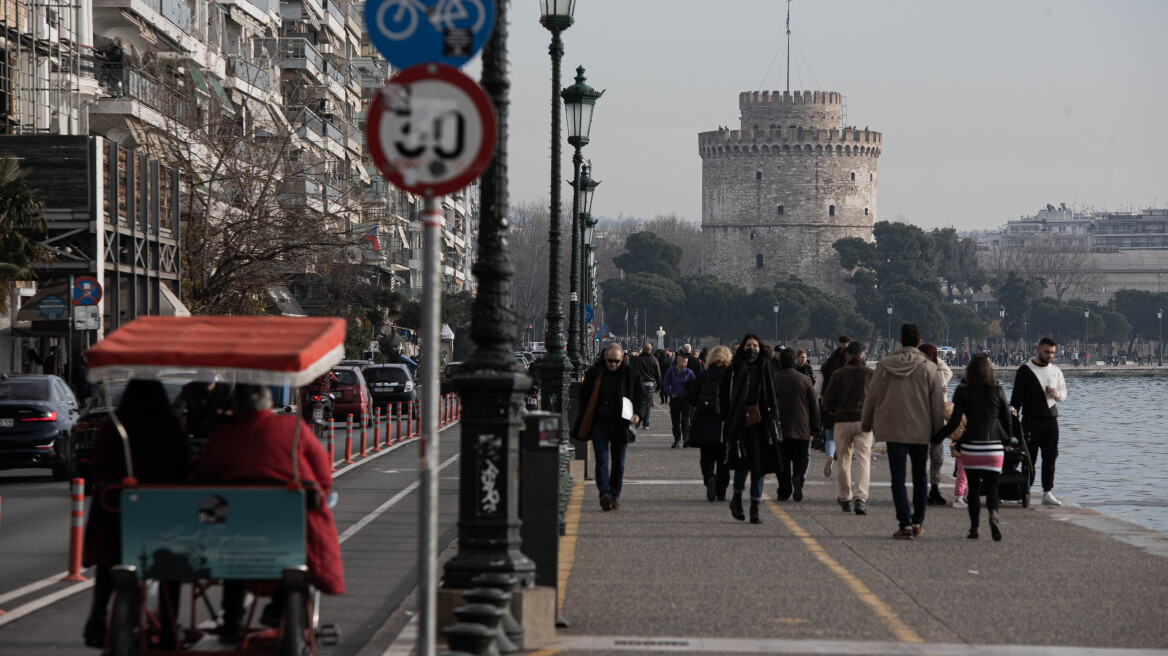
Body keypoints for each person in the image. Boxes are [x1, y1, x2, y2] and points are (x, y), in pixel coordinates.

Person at [194, 384, 345, 640]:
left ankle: (232, 623)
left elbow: (201, 479)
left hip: (235, 527)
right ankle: (278, 606)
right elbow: (322, 477)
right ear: (267, 404)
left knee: (234, 561)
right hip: (289, 524)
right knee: (297, 545)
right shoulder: (293, 428)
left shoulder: (224, 435)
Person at [82, 380, 191, 649]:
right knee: (170, 568)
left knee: (109, 564)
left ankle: (97, 617)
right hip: (161, 517)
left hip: (115, 515)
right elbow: (184, 469)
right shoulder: (169, 431)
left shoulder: (112, 428)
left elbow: (98, 466)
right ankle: (169, 628)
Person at [861, 323, 945, 540]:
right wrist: (938, 433)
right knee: (920, 475)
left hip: (893, 428)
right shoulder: (929, 367)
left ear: (900, 339)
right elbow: (936, 404)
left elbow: (872, 397)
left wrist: (866, 424)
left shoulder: (885, 365)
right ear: (919, 341)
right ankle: (918, 521)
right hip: (921, 429)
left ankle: (904, 523)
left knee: (897, 478)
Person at [933, 354, 1011, 541]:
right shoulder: (998, 390)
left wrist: (937, 438)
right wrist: (1007, 441)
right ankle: (993, 515)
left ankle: (975, 527)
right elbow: (1007, 419)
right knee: (992, 488)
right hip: (993, 447)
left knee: (974, 489)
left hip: (971, 447)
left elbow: (953, 423)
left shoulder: (962, 392)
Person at [571, 343, 643, 511]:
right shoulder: (595, 373)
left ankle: (615, 495)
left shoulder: (629, 374)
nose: (613, 365)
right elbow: (584, 395)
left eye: (616, 362)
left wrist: (638, 413)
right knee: (602, 461)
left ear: (622, 359)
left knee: (619, 463)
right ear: (605, 358)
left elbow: (640, 395)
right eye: (610, 361)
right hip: (600, 423)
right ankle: (605, 493)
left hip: (621, 424)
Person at [719, 334, 781, 524]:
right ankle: (737, 498)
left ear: (760, 347)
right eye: (749, 345)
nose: (752, 348)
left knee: (759, 467)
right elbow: (723, 395)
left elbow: (774, 395)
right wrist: (728, 418)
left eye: (755, 345)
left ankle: (755, 506)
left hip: (762, 424)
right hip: (740, 423)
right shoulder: (734, 369)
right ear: (743, 348)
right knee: (742, 464)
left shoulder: (766, 369)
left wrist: (774, 419)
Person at [1010, 337, 1068, 506]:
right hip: (1030, 421)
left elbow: (1063, 394)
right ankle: (1025, 490)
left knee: (1050, 457)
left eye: (1052, 352)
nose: (1049, 355)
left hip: (1051, 420)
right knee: (1029, 458)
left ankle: (1047, 492)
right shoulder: (1025, 371)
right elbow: (1015, 401)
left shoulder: (1056, 371)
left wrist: (1056, 394)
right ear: (1038, 350)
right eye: (1047, 352)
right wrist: (1013, 425)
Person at [822, 340, 875, 515]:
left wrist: (833, 411)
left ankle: (845, 497)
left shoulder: (838, 374)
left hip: (842, 420)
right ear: (863, 354)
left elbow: (827, 400)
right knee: (863, 460)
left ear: (847, 355)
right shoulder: (870, 374)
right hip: (864, 422)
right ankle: (860, 498)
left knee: (844, 460)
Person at [773, 348, 820, 502]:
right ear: (794, 361)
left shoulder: (774, 378)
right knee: (802, 457)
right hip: (801, 426)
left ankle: (784, 489)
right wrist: (815, 427)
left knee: (782, 462)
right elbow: (814, 405)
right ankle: (798, 477)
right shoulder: (805, 380)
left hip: (779, 427)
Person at [686, 345, 732, 502]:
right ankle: (721, 491)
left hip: (705, 421)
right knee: (724, 461)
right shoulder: (731, 375)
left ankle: (709, 478)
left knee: (706, 457)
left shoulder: (703, 375)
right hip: (725, 423)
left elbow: (692, 398)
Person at [918, 343, 954, 506]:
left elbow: (948, 372)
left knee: (936, 458)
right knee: (931, 458)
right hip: (925, 421)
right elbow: (948, 371)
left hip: (933, 422)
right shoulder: (920, 373)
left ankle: (933, 488)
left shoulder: (937, 374)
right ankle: (926, 489)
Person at [818, 336, 850, 477]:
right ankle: (843, 465)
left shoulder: (826, 367)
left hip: (829, 407)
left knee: (830, 437)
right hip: (846, 408)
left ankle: (830, 455)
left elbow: (816, 390)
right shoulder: (850, 367)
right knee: (845, 438)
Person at [663, 351, 695, 448]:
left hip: (686, 399)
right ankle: (677, 439)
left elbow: (695, 383)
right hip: (675, 398)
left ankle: (686, 438)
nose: (685, 364)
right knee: (675, 421)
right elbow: (666, 383)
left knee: (686, 420)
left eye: (686, 362)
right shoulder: (671, 371)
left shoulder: (689, 372)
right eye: (683, 362)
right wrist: (670, 393)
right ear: (678, 361)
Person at [631, 344, 662, 429]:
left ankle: (637, 422)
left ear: (643, 350)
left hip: (638, 384)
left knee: (637, 403)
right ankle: (646, 423)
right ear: (651, 350)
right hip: (649, 384)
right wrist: (659, 387)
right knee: (647, 405)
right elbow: (658, 375)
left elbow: (632, 372)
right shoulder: (654, 360)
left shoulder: (637, 360)